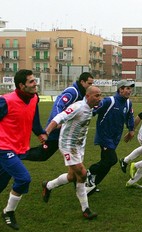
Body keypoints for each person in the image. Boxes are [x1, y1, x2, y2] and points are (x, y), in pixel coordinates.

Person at [41, 86, 101, 220]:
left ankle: (48, 185)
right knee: (83, 174)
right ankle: (86, 209)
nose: (99, 98)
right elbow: (60, 117)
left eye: (100, 95)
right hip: (68, 145)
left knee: (72, 177)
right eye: (96, 96)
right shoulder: (78, 106)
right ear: (87, 96)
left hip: (79, 146)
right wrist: (47, 132)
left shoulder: (90, 108)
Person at [0, 69, 47, 230]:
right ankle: (8, 212)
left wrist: (40, 132)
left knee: (1, 183)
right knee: (24, 178)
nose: (35, 84)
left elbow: (34, 121)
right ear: (21, 85)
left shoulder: (34, 98)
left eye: (35, 80)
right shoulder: (5, 101)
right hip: (4, 147)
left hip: (19, 148)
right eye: (31, 82)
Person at [24, 72, 94, 162]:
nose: (91, 86)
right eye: (89, 83)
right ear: (82, 82)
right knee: (43, 154)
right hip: (57, 129)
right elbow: (58, 104)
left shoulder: (83, 94)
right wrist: (58, 121)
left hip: (69, 132)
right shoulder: (73, 92)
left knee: (74, 160)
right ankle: (16, 155)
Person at [86, 80, 135, 193]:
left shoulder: (128, 103)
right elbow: (93, 111)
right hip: (104, 136)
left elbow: (130, 116)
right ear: (120, 89)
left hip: (115, 138)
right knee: (112, 160)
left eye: (130, 89)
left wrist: (131, 129)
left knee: (106, 162)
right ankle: (89, 172)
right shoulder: (109, 101)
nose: (129, 91)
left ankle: (92, 184)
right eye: (127, 88)